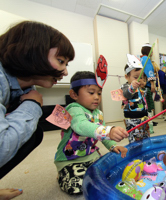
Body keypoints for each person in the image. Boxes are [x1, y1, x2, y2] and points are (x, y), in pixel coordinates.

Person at [0, 21, 75, 199]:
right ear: (31, 53)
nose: (65, 72)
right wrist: (32, 104)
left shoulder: (26, 88)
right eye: (60, 61)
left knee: (33, 135)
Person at [54, 71, 128, 195]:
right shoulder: (74, 109)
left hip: (91, 156)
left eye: (99, 93)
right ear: (74, 94)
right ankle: (62, 173)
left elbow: (102, 136)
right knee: (79, 187)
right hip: (70, 159)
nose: (96, 97)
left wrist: (113, 146)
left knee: (107, 176)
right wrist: (108, 131)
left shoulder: (99, 113)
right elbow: (81, 126)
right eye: (91, 93)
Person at [121, 54, 150, 143]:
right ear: (127, 77)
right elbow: (126, 95)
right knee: (135, 141)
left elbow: (144, 101)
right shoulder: (125, 86)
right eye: (135, 77)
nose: (139, 80)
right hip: (132, 119)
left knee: (146, 138)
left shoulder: (141, 88)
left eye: (141, 77)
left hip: (144, 117)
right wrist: (132, 88)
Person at [140, 43, 157, 129]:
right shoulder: (146, 59)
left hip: (142, 85)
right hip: (147, 85)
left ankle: (148, 121)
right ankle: (149, 122)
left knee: (144, 103)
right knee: (148, 104)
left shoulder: (141, 58)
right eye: (152, 51)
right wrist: (152, 84)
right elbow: (149, 71)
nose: (153, 52)